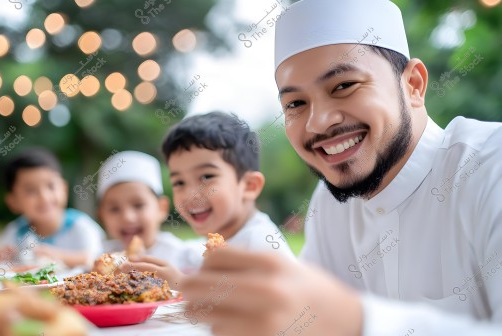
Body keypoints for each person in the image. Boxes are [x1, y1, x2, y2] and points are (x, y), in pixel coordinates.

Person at [181, 1, 502, 335]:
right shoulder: (330, 203)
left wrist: (356, 321)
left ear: (414, 85)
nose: (318, 123)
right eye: (295, 104)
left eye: (344, 86)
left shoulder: (491, 166)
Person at [121, 112, 296, 288]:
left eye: (206, 177)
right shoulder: (210, 245)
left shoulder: (260, 242)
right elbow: (181, 254)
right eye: (179, 182)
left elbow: (275, 304)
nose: (190, 194)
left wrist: (184, 285)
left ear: (250, 185)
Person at [0, 148, 105, 269]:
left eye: (51, 186)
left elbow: (98, 260)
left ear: (64, 189)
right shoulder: (15, 232)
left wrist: (58, 255)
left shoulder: (81, 226)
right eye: (31, 190)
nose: (44, 197)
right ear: (13, 202)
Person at [96, 150, 204, 272]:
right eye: (114, 209)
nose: (127, 217)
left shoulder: (185, 256)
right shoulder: (99, 258)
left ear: (161, 208)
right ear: (101, 215)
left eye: (138, 205)